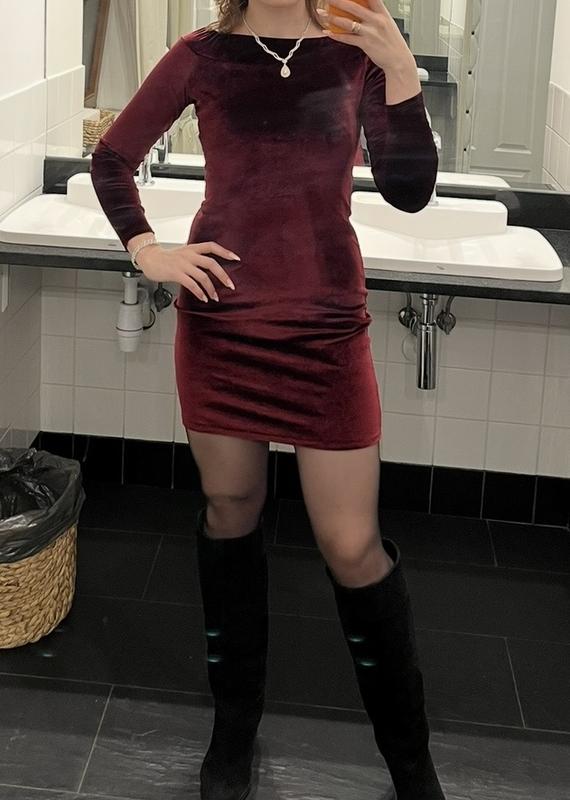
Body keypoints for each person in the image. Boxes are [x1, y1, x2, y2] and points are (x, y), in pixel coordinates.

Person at [90, 1, 445, 798]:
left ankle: (411, 762)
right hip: (223, 325)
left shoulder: (356, 52)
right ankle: (233, 730)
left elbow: (409, 192)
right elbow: (111, 158)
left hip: (327, 328)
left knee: (352, 544)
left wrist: (400, 69)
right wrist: (147, 249)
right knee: (230, 511)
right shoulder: (202, 54)